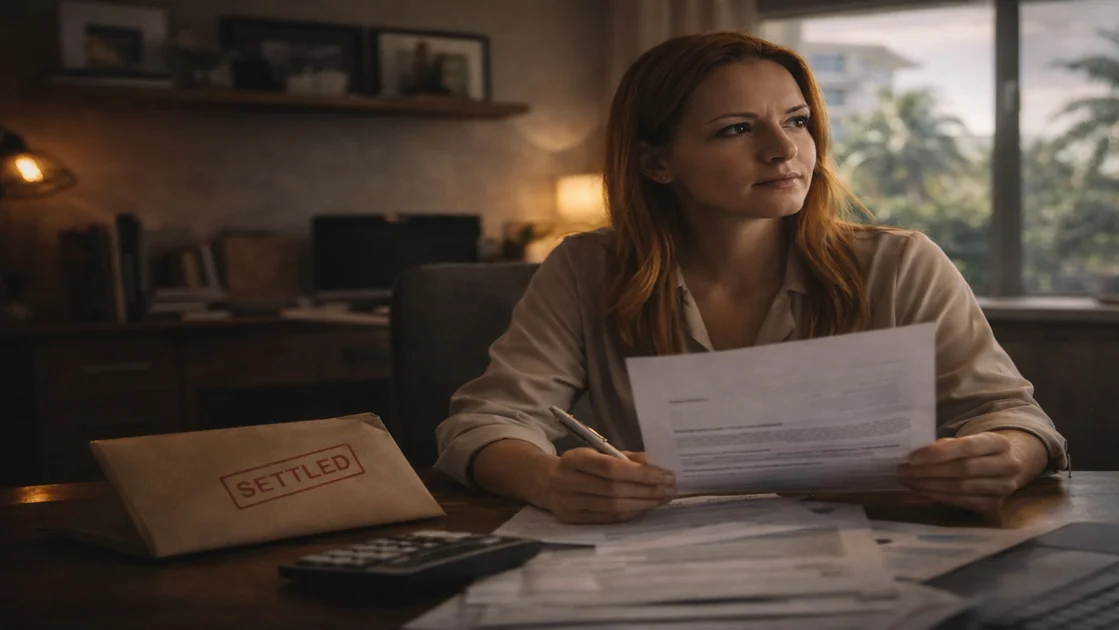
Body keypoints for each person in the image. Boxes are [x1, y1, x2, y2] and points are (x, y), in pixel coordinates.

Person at [434, 32, 1069, 524]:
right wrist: (548, 479)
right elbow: (484, 422)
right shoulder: (586, 268)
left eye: (796, 120)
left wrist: (1001, 455)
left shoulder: (901, 264)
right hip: (655, 564)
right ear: (657, 163)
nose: (783, 149)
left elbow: (1012, 416)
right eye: (737, 129)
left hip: (876, 553)